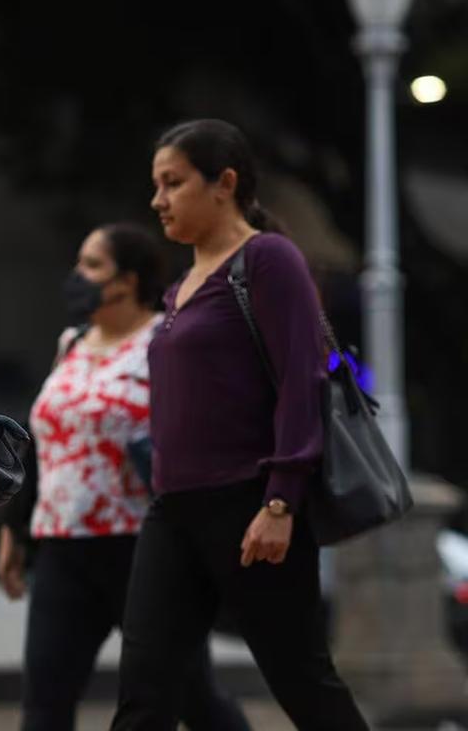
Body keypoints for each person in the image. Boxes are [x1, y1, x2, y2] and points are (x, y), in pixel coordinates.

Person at [111, 119, 369, 730]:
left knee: (304, 685)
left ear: (224, 183)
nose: (158, 200)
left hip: (251, 505)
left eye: (173, 183)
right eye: (156, 185)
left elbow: (304, 380)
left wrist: (281, 501)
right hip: (173, 511)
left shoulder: (269, 260)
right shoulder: (179, 290)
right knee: (144, 693)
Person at [0, 223, 249, 731]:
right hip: (63, 549)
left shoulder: (167, 341)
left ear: (128, 280)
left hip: (144, 551)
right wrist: (14, 530)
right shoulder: (71, 343)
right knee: (43, 707)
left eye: (92, 265)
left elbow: (201, 437)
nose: (77, 276)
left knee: (192, 698)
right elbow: (46, 444)